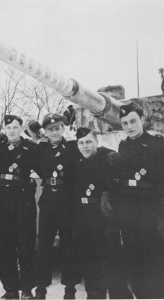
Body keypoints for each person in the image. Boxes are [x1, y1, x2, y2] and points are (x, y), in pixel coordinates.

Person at [73, 127, 132, 299]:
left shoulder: (107, 158)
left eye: (89, 142)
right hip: (84, 217)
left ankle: (120, 295)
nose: (85, 146)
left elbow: (119, 184)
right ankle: (94, 294)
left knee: (112, 261)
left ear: (97, 142)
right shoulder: (78, 163)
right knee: (90, 262)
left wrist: (108, 193)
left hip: (104, 218)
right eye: (81, 143)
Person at [114, 103, 164, 298]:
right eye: (124, 123)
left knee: (153, 258)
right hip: (128, 211)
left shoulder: (157, 144)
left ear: (142, 120)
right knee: (133, 257)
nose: (129, 126)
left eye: (133, 121)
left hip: (150, 210)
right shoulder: (123, 145)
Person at [0, 115, 38, 300]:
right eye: (8, 127)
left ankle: (27, 288)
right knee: (4, 244)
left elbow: (49, 160)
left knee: (26, 244)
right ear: (4, 128)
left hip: (24, 198)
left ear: (21, 128)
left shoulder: (31, 148)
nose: (12, 130)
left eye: (15, 127)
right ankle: (10, 289)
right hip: (3, 197)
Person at [34, 113, 80, 299]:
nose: (54, 132)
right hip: (48, 201)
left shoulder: (72, 147)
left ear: (63, 129)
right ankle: (40, 289)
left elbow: (91, 149)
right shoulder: (40, 149)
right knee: (43, 246)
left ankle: (70, 289)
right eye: (50, 129)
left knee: (69, 246)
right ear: (45, 131)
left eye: (57, 128)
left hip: (66, 200)